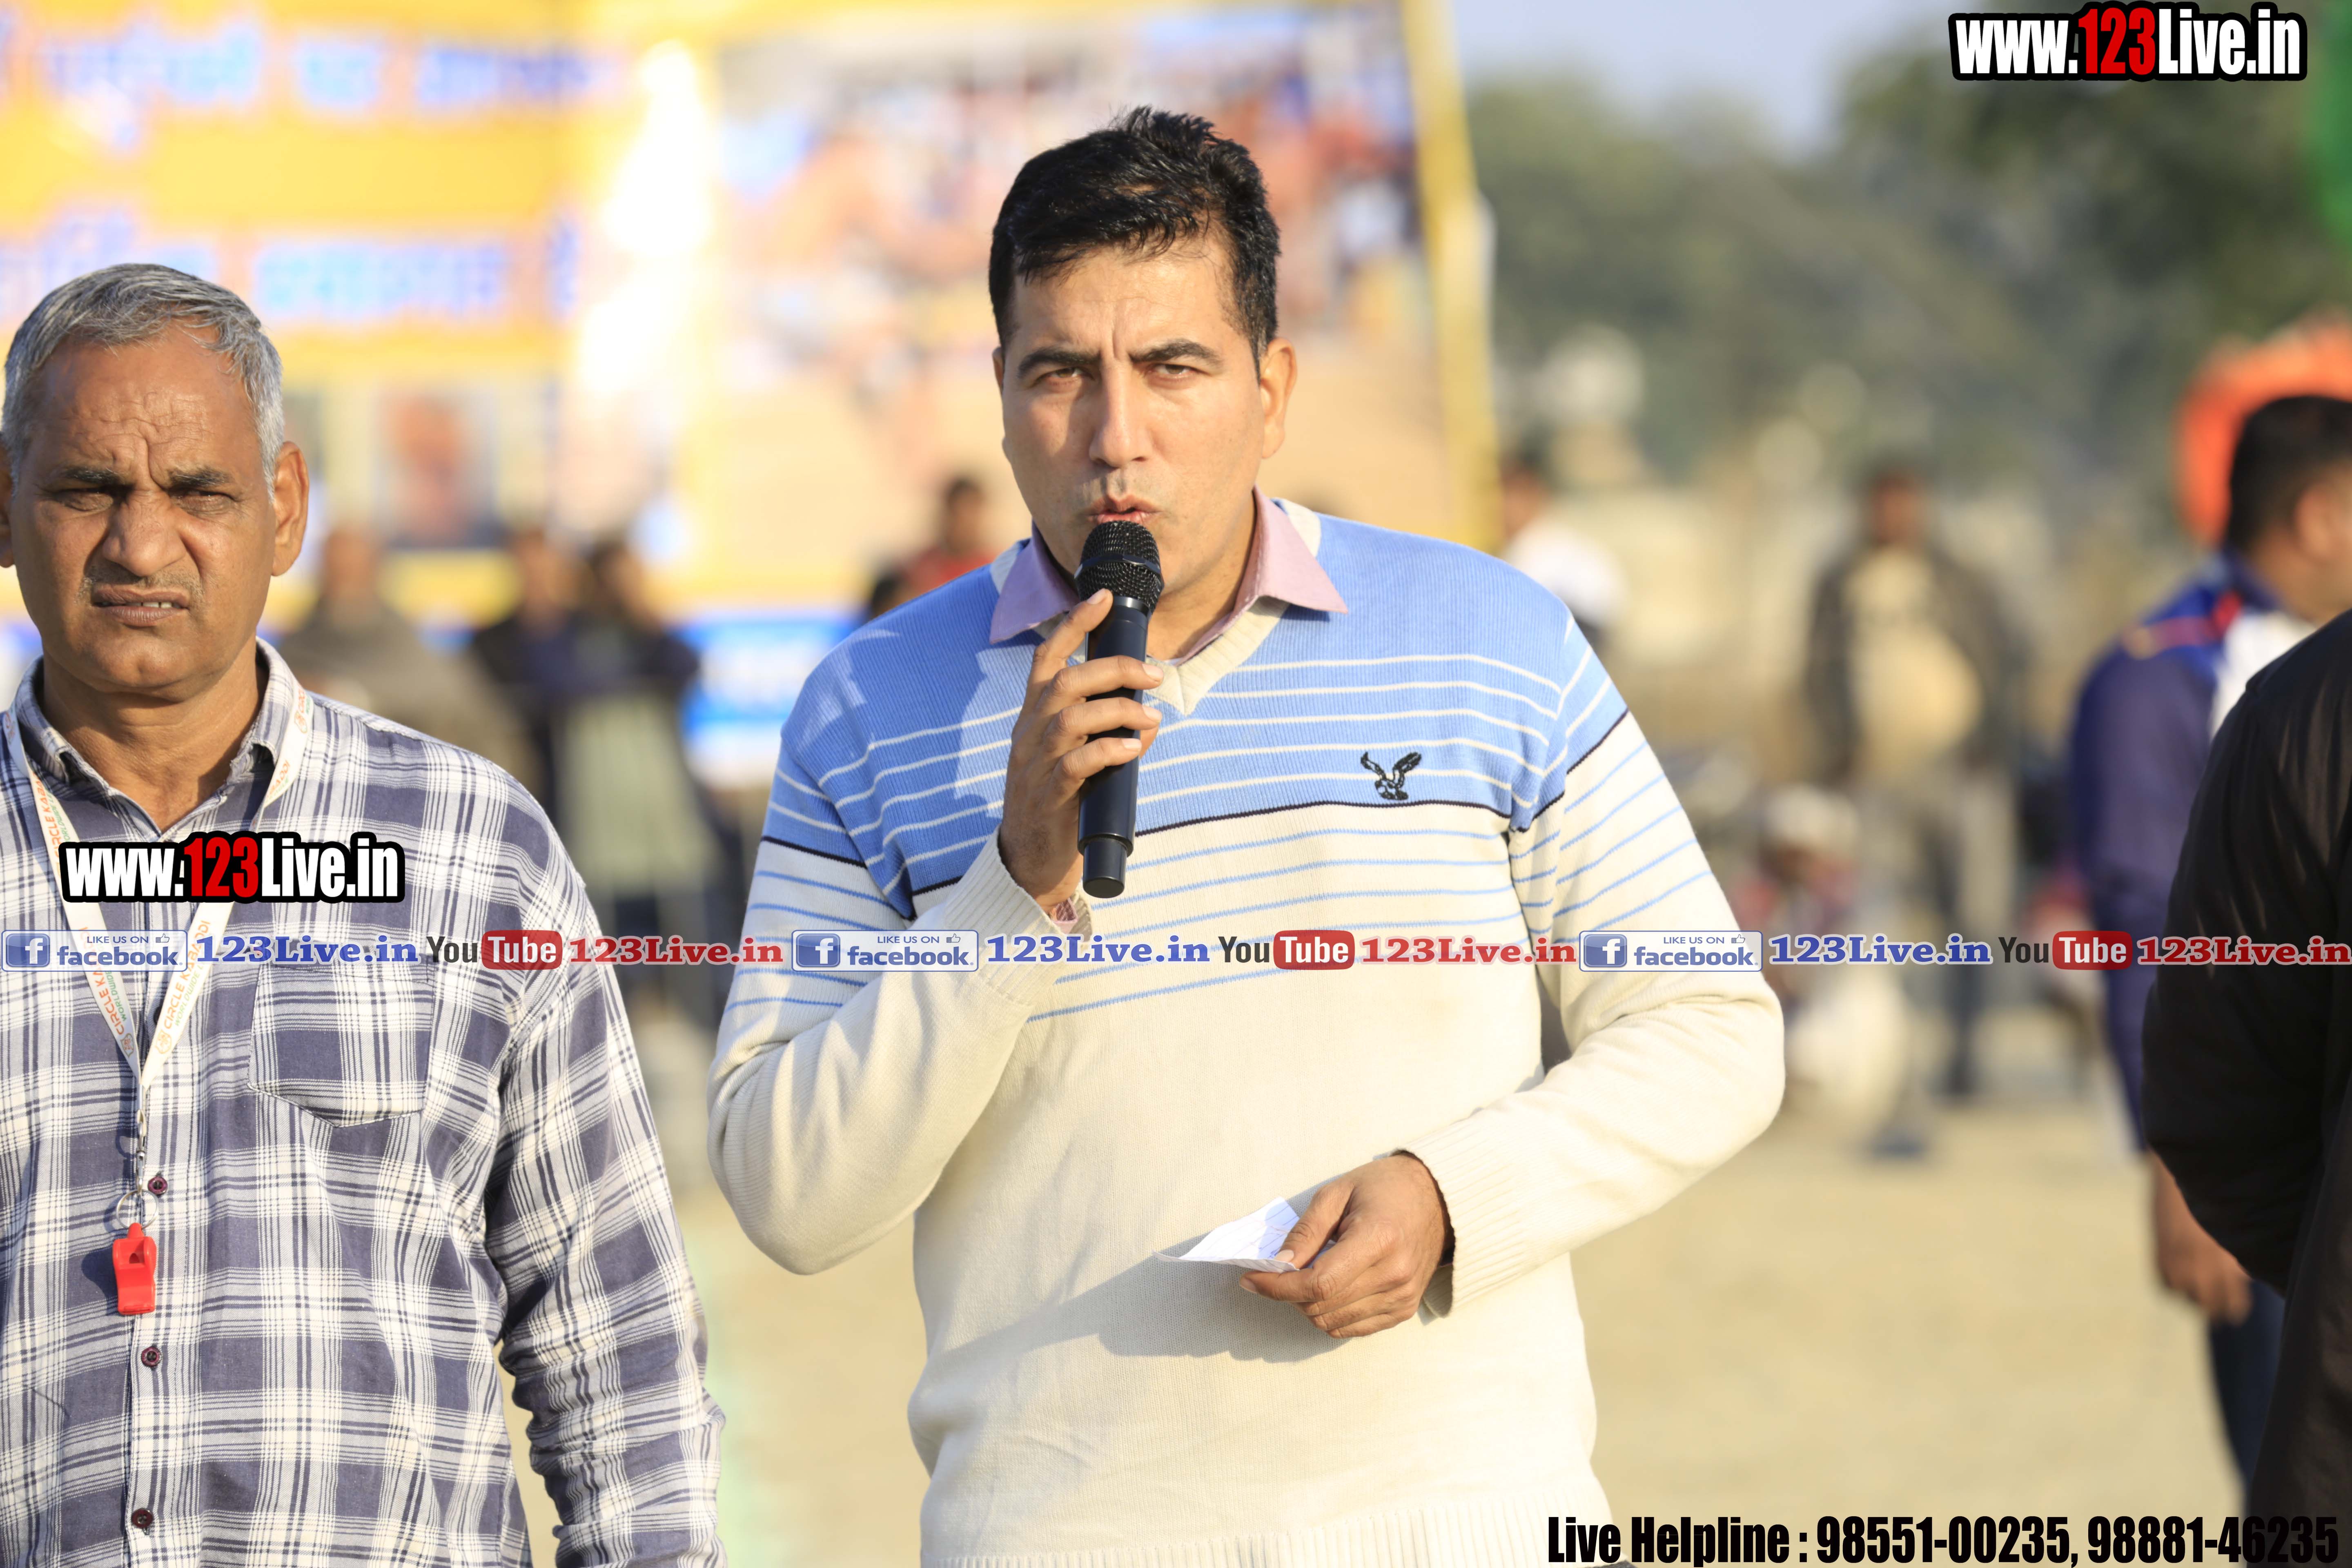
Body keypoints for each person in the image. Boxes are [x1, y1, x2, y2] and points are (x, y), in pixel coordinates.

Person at [708, 109, 1781, 1559]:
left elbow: (1709, 1028)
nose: (1116, 437)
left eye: (1173, 367)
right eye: (1059, 374)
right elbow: (791, 1190)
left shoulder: (1488, 639)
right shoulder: (868, 705)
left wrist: (1456, 1199)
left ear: (1271, 389)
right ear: (1000, 396)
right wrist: (1013, 884)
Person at [0, 263, 721, 1563]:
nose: (141, 546)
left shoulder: (472, 850)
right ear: (5, 503)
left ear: (283, 508)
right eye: (88, 489)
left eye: (198, 492)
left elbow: (623, 1361)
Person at [2069, 397, 2352, 1488]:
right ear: (2318, 515)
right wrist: (2173, 1167)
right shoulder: (2163, 672)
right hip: (2285, 1163)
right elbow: (2145, 926)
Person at [1804, 464, 2022, 1105]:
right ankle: (1892, 1065)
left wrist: (1994, 740)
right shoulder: (1841, 583)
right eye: (1882, 504)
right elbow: (1816, 672)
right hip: (1877, 772)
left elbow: (2004, 658)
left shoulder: (1959, 577)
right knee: (1877, 919)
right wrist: (1837, 749)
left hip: (1961, 766)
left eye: (1905, 504)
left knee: (1973, 919)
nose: (1893, 517)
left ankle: (1966, 1058)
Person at [274, 526, 537, 791]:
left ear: (374, 571)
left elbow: (445, 700)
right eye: (335, 570)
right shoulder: (298, 644)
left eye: (352, 570)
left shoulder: (404, 641)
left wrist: (345, 696)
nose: (343, 583)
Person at [470, 523, 580, 814]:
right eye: (527, 564)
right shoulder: (488, 641)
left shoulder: (588, 632)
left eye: (542, 563)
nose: (536, 574)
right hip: (517, 766)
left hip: (581, 764)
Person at [1498, 452, 1625, 655]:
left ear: (1535, 495)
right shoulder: (1525, 547)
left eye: (1511, 495)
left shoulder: (1542, 548)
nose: (1502, 505)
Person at [865, 472, 1000, 619]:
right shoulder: (919, 569)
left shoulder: (993, 571)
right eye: (959, 514)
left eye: (972, 514)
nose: (965, 524)